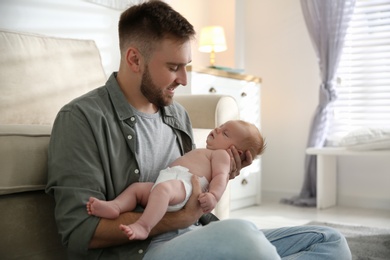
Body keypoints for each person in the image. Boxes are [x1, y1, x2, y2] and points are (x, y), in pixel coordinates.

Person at [46, 1, 352, 259]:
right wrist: (181, 218)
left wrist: (222, 175)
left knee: (329, 240)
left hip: (194, 236)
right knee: (242, 234)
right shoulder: (82, 119)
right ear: (134, 59)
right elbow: (80, 233)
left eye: (187, 66)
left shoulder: (176, 115)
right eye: (173, 67)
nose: (184, 80)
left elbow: (193, 188)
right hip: (143, 251)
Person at [86, 120, 265, 240]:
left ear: (237, 152)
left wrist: (213, 196)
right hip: (171, 182)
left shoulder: (222, 156)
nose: (217, 130)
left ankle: (143, 226)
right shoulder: (208, 152)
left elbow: (220, 177)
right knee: (138, 189)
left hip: (185, 186)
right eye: (220, 127)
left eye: (225, 134)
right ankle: (115, 206)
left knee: (162, 191)